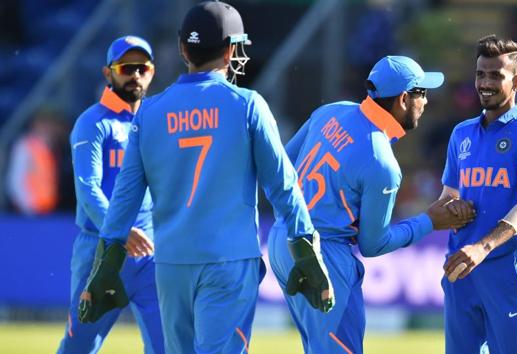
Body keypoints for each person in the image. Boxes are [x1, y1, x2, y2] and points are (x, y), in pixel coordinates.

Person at [76, 2, 334, 353]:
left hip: (170, 266)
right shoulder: (248, 104)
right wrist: (306, 249)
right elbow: (283, 186)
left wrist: (106, 266)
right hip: (229, 262)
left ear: (183, 49)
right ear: (230, 51)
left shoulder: (149, 112)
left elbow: (124, 198)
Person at [268, 55, 476, 354]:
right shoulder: (382, 162)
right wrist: (430, 221)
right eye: (422, 93)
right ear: (404, 99)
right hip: (326, 258)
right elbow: (373, 244)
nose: (426, 102)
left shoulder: (331, 111)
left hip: (283, 239)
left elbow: (279, 172)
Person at [440, 35, 517, 354]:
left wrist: (483, 246)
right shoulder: (461, 133)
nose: (485, 83)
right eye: (480, 74)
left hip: (507, 265)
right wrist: (443, 212)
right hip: (460, 267)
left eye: (495, 75)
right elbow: (446, 198)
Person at [57, 36, 164, 354]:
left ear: (152, 71)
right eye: (126, 67)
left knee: (168, 346)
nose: (135, 75)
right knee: (79, 347)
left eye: (142, 67)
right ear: (108, 73)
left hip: (149, 254)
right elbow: (87, 188)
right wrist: (118, 230)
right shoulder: (92, 123)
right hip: (100, 254)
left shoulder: (155, 121)